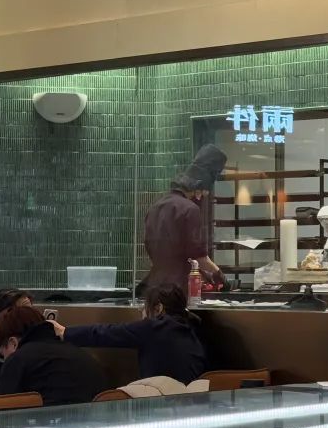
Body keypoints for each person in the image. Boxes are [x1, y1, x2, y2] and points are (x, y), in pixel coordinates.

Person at [53, 283, 207, 384]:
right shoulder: (192, 330)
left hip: (161, 404)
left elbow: (106, 333)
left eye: (144, 307)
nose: (142, 312)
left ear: (158, 308)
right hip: (190, 404)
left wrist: (65, 332)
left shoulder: (154, 327)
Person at [141, 144, 228, 294]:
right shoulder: (189, 209)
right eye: (205, 191)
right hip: (177, 289)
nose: (204, 195)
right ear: (199, 187)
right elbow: (200, 257)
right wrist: (220, 276)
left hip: (154, 285)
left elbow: (171, 253)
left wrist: (201, 273)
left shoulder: (156, 206)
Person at [0, 305, 106, 406]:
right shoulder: (84, 356)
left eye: (4, 355)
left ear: (13, 343)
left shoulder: (17, 360)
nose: (5, 360)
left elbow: (5, 414)